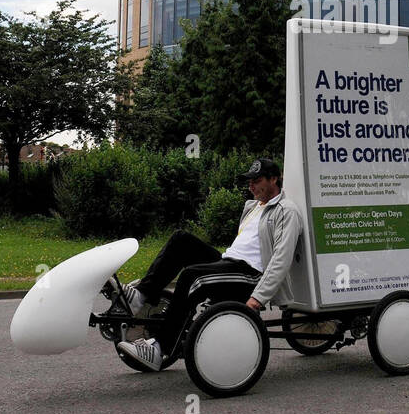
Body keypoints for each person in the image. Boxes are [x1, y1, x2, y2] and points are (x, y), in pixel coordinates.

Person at [115, 158, 302, 372]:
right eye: (248, 181)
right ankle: (141, 296)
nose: (251, 186)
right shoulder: (254, 207)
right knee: (181, 240)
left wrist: (257, 299)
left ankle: (160, 350)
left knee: (191, 276)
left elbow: (281, 259)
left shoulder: (286, 211)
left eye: (256, 180)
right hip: (228, 261)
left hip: (250, 274)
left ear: (274, 179)